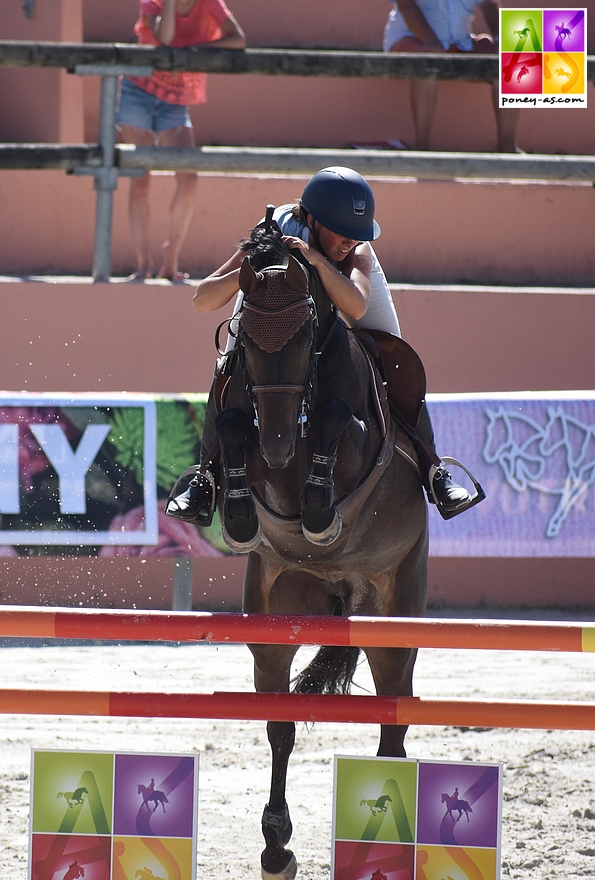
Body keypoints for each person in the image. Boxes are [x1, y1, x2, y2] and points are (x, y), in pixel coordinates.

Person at [165, 167, 478, 523]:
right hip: (277, 297)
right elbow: (201, 301)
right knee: (228, 363)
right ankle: (205, 479)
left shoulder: (358, 248)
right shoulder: (276, 228)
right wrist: (251, 266)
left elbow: (356, 305)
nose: (349, 241)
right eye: (341, 232)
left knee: (396, 358)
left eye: (355, 234)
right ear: (310, 220)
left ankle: (434, 470)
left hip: (346, 289)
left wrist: (316, 260)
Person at [116, 0, 246, 282]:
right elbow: (164, 40)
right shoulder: (154, 3)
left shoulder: (210, 4)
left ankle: (170, 260)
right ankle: (142, 265)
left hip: (175, 97)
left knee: (189, 178)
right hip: (138, 91)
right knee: (140, 179)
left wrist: (194, 53)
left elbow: (238, 39)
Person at [383, 0, 520, 152]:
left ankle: (507, 146)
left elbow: (489, 4)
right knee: (428, 60)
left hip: (460, 42)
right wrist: (431, 42)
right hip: (411, 38)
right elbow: (406, 5)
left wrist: (500, 39)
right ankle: (422, 147)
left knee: (512, 57)